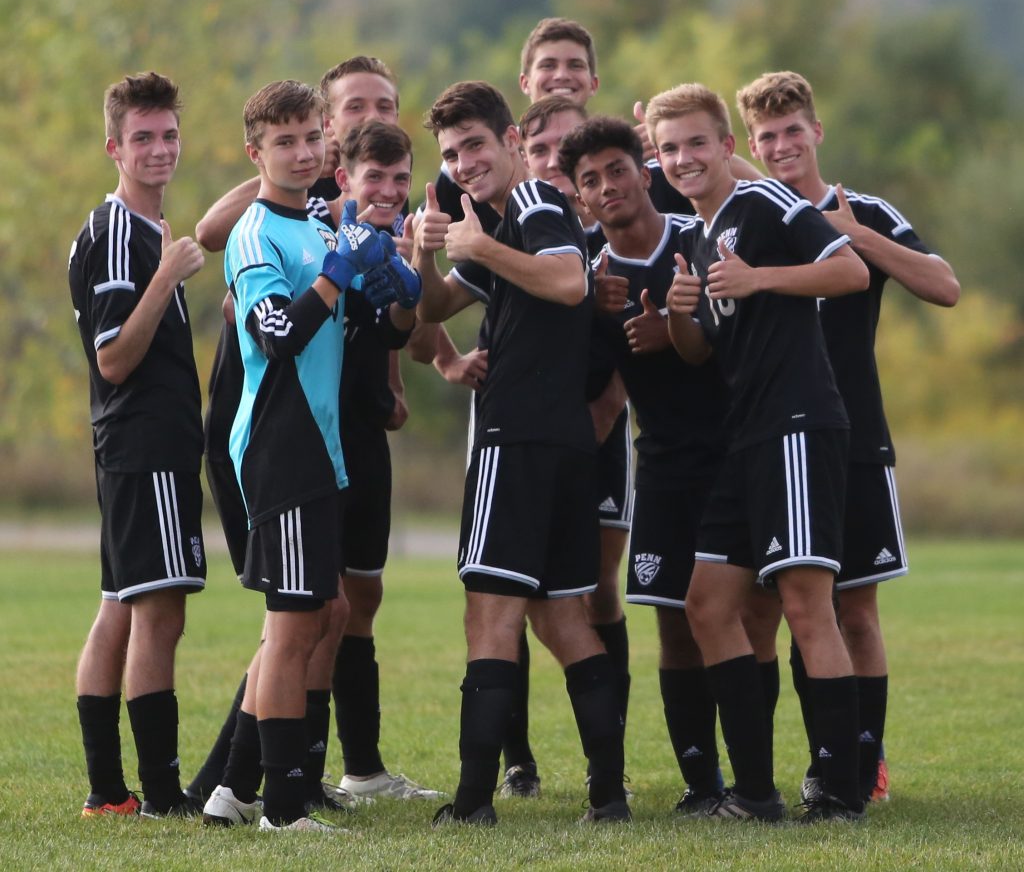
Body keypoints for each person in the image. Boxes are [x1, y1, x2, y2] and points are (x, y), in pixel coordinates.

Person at [190, 59, 438, 811]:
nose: (301, 152)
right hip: (279, 446)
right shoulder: (258, 231)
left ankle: (233, 792)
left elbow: (358, 318)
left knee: (319, 614)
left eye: (308, 139)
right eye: (283, 141)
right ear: (254, 154)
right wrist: (336, 273)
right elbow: (275, 336)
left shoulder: (316, 223)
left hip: (320, 447)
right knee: (295, 624)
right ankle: (285, 804)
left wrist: (395, 289)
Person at [734, 70, 960, 805]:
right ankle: (816, 764)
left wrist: (855, 236)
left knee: (854, 610)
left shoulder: (863, 208)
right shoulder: (753, 219)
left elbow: (945, 286)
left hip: (857, 437)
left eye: (792, 130)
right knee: (792, 609)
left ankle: (864, 767)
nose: (780, 146)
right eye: (765, 136)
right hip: (778, 440)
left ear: (816, 131)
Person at [650, 82, 870, 822]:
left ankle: (841, 794)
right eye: (670, 147)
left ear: (725, 146)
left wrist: (760, 277)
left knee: (809, 607)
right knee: (707, 604)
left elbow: (850, 271)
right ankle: (754, 793)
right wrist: (682, 316)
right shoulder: (695, 235)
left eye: (696, 143)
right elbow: (699, 352)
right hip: (743, 439)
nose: (684, 158)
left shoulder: (770, 205)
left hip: (799, 424)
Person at [414, 81, 628, 826]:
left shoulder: (534, 205)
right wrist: (426, 248)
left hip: (518, 441)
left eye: (475, 144)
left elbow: (570, 282)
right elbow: (435, 309)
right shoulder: (500, 222)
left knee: (489, 616)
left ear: (511, 139)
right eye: (450, 154)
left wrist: (475, 245)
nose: (464, 162)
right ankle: (609, 794)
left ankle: (474, 802)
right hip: (561, 443)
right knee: (560, 618)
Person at [558, 115, 732, 814]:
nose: (607, 187)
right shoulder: (589, 271)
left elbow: (747, 334)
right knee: (670, 618)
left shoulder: (701, 238)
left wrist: (680, 329)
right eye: (590, 180)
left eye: (618, 169)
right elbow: (581, 373)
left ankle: (764, 776)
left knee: (743, 619)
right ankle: (702, 783)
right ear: (580, 197)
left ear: (645, 170)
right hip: (659, 462)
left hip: (733, 457)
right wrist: (588, 318)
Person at [68, 71, 207, 819]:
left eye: (169, 135)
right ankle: (159, 797)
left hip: (135, 446)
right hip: (145, 444)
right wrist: (168, 276)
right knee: (161, 612)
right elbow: (114, 357)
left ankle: (107, 793)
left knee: (119, 605)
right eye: (143, 139)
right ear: (113, 147)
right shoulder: (123, 236)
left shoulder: (136, 229)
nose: (159, 150)